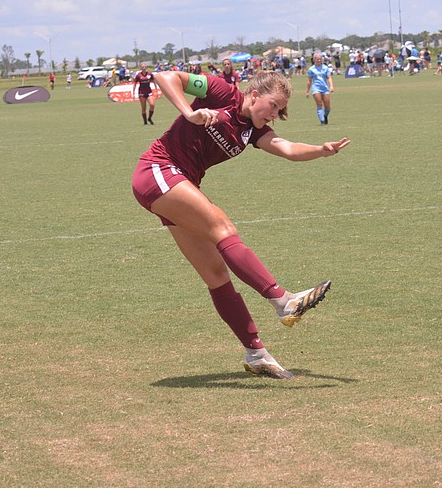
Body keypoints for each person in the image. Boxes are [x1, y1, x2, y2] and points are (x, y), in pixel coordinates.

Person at [131, 70, 350, 379]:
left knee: (216, 274)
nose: (275, 114)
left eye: (280, 110)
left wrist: (320, 151)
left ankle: (256, 353)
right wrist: (189, 113)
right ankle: (283, 301)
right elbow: (167, 77)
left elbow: (287, 148)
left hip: (179, 186)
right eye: (273, 105)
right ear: (254, 95)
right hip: (158, 169)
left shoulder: (252, 132)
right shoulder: (222, 92)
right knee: (223, 229)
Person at [306, 51, 334, 125]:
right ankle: (322, 121)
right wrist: (307, 91)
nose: (318, 60)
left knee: (327, 106)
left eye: (320, 59)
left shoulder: (325, 68)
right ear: (314, 59)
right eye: (317, 59)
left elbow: (329, 77)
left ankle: (325, 116)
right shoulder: (311, 69)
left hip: (325, 88)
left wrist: (331, 86)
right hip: (316, 88)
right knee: (319, 104)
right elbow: (309, 80)